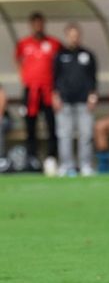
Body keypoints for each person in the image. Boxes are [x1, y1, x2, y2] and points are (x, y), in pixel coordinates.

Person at [15, 11, 61, 174]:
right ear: (31, 25)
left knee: (51, 126)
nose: (38, 27)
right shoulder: (23, 44)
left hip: (48, 91)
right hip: (31, 91)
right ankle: (32, 159)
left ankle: (51, 158)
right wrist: (25, 78)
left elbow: (59, 66)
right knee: (30, 127)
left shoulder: (54, 44)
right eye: (35, 24)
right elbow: (18, 61)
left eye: (40, 24)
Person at [51, 23, 98, 177]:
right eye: (71, 35)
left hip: (84, 101)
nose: (74, 38)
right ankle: (66, 165)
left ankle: (85, 165)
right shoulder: (59, 55)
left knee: (86, 134)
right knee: (64, 135)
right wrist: (55, 96)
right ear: (66, 36)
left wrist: (92, 96)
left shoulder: (88, 55)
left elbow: (93, 78)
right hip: (64, 101)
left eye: (76, 35)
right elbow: (54, 78)